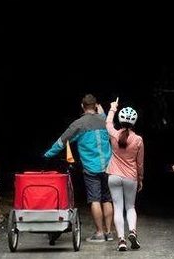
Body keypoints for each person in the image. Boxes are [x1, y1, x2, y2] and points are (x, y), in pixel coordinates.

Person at [44, 94, 114, 242]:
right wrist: (103, 113)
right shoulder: (105, 120)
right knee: (107, 199)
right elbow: (109, 127)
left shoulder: (78, 124)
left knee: (95, 199)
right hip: (108, 166)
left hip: (91, 168)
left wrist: (48, 154)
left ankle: (99, 233)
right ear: (95, 106)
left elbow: (62, 141)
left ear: (82, 106)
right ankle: (109, 232)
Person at [105, 99, 144, 251]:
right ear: (134, 123)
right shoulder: (138, 140)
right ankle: (132, 232)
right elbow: (140, 163)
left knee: (117, 207)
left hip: (113, 176)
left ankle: (121, 240)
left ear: (120, 121)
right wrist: (140, 179)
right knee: (130, 207)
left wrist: (113, 108)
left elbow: (108, 123)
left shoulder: (114, 135)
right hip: (130, 177)